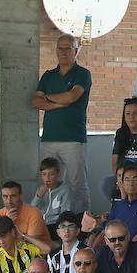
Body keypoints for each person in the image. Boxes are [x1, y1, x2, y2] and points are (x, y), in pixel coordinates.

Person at [33, 34, 92, 212]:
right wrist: (60, 102)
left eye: (68, 48)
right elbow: (35, 102)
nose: (64, 52)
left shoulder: (82, 73)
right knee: (48, 183)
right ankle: (50, 221)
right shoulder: (49, 75)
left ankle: (83, 225)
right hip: (49, 138)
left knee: (77, 185)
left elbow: (73, 96)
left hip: (73, 138)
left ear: (75, 50)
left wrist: (48, 98)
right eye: (61, 48)